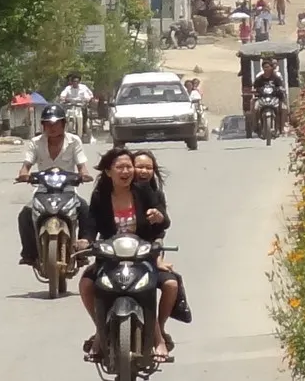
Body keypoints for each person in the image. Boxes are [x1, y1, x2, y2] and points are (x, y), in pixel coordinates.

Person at [79, 146, 184, 362]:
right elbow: (90, 225)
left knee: (164, 285)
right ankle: (100, 332)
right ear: (108, 171)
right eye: (120, 167)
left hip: (143, 256)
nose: (126, 171)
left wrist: (158, 217)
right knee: (87, 284)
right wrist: (85, 241)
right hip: (109, 257)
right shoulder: (99, 196)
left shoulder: (144, 191)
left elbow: (163, 221)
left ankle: (158, 337)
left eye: (129, 167)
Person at [16, 106, 90, 268]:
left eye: (56, 123)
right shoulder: (36, 142)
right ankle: (29, 253)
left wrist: (84, 174)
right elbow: (26, 165)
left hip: (68, 190)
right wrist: (24, 174)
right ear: (43, 125)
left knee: (85, 209)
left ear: (64, 124)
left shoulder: (74, 141)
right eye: (48, 124)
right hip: (43, 190)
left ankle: (82, 251)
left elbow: (82, 166)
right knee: (25, 215)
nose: (52, 127)